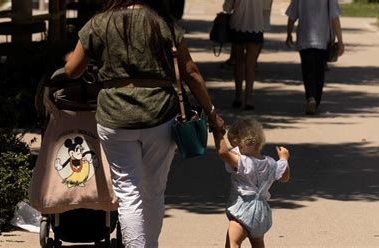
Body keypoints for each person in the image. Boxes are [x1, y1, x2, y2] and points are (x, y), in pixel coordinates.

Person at [64, 0, 224, 247]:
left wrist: (70, 59)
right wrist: (211, 113)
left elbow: (72, 70)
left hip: (115, 117)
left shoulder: (99, 23)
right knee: (154, 191)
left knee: (129, 193)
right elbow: (191, 72)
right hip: (159, 115)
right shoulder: (163, 24)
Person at [212, 118, 290, 248]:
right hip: (261, 213)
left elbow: (223, 153)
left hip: (243, 211)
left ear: (240, 145)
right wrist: (284, 159)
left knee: (233, 243)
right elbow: (284, 177)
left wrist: (217, 131)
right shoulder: (270, 162)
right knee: (258, 243)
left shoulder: (243, 162)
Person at [285, 0, 344, 115]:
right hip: (322, 39)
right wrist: (340, 41)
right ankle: (315, 101)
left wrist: (289, 33)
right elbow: (334, 17)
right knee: (319, 72)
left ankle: (310, 98)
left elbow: (292, 14)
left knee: (308, 71)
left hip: (304, 38)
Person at [223, 0, 273, 111]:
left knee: (239, 62)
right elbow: (266, 8)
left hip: (237, 24)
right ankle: (249, 99)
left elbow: (227, 7)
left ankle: (238, 96)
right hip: (257, 25)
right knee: (251, 64)